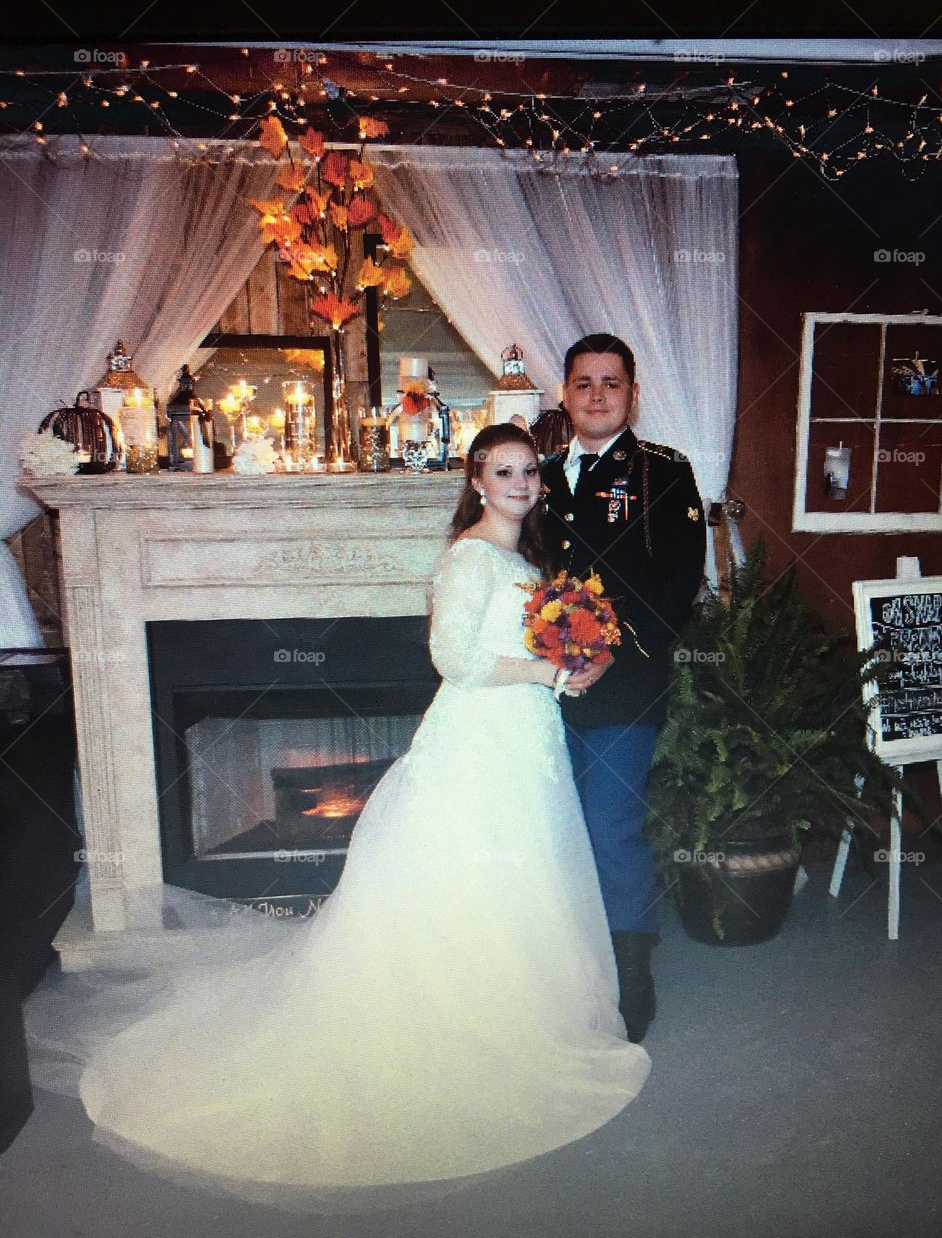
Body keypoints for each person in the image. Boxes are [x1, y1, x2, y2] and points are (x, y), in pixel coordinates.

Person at [25, 423, 649, 1204]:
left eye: (528, 471)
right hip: (480, 740)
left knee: (522, 872)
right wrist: (547, 672)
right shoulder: (469, 558)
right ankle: (455, 1023)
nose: (520, 483)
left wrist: (572, 664)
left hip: (528, 738)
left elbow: (525, 647)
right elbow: (453, 659)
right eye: (503, 472)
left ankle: (522, 1014)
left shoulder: (528, 562)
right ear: (477, 482)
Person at [540, 335, 707, 1043]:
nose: (597, 395)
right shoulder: (540, 472)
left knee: (612, 827)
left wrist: (611, 649)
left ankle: (632, 965)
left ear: (633, 395)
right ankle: (568, 960)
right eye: (584, 383)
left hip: (626, 681)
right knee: (556, 825)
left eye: (611, 383)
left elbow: (679, 581)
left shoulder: (663, 471)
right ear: (564, 394)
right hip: (544, 685)